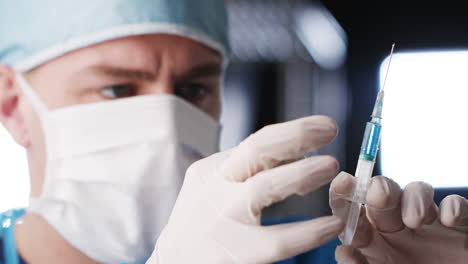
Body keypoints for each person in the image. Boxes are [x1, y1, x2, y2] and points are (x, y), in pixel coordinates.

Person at [0, 1, 467, 264]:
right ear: (13, 105)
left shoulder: (333, 252)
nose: (166, 120)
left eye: (194, 88)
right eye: (118, 88)